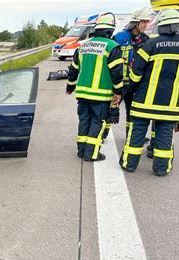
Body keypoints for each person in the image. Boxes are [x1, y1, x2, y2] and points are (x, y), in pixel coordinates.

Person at [120, 9, 179, 176]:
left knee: (137, 134)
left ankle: (129, 165)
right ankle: (161, 168)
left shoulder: (150, 44)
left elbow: (136, 72)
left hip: (143, 102)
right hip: (169, 104)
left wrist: (131, 89)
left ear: (161, 25)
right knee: (164, 136)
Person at [66, 14, 124, 161]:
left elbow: (73, 69)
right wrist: (118, 92)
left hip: (83, 94)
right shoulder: (113, 47)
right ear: (110, 31)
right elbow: (116, 73)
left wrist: (70, 87)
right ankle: (91, 154)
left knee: (84, 121)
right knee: (97, 123)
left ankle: (81, 151)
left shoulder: (83, 46)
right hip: (101, 96)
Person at [146, 11, 179, 158]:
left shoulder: (159, 42)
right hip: (175, 92)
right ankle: (161, 151)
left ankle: (153, 147)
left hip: (160, 89)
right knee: (167, 124)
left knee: (158, 119)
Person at [102, 8, 152, 140]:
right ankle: (102, 134)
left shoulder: (147, 40)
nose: (146, 25)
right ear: (136, 23)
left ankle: (131, 136)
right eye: (144, 22)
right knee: (111, 109)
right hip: (119, 83)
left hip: (135, 84)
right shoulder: (119, 38)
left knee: (133, 112)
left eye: (147, 22)